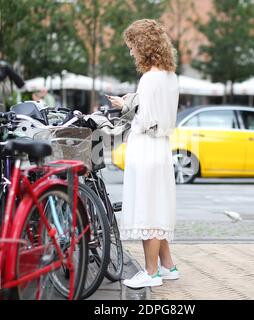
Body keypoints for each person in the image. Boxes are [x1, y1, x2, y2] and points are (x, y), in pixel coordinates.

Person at [107, 19, 179, 288]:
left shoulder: (148, 79)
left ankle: (150, 272)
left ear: (142, 45)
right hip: (161, 148)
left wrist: (126, 105)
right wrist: (133, 100)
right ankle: (168, 266)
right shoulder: (170, 77)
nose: (131, 52)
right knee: (157, 206)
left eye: (132, 46)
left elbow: (146, 120)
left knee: (148, 210)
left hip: (146, 147)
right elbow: (162, 114)